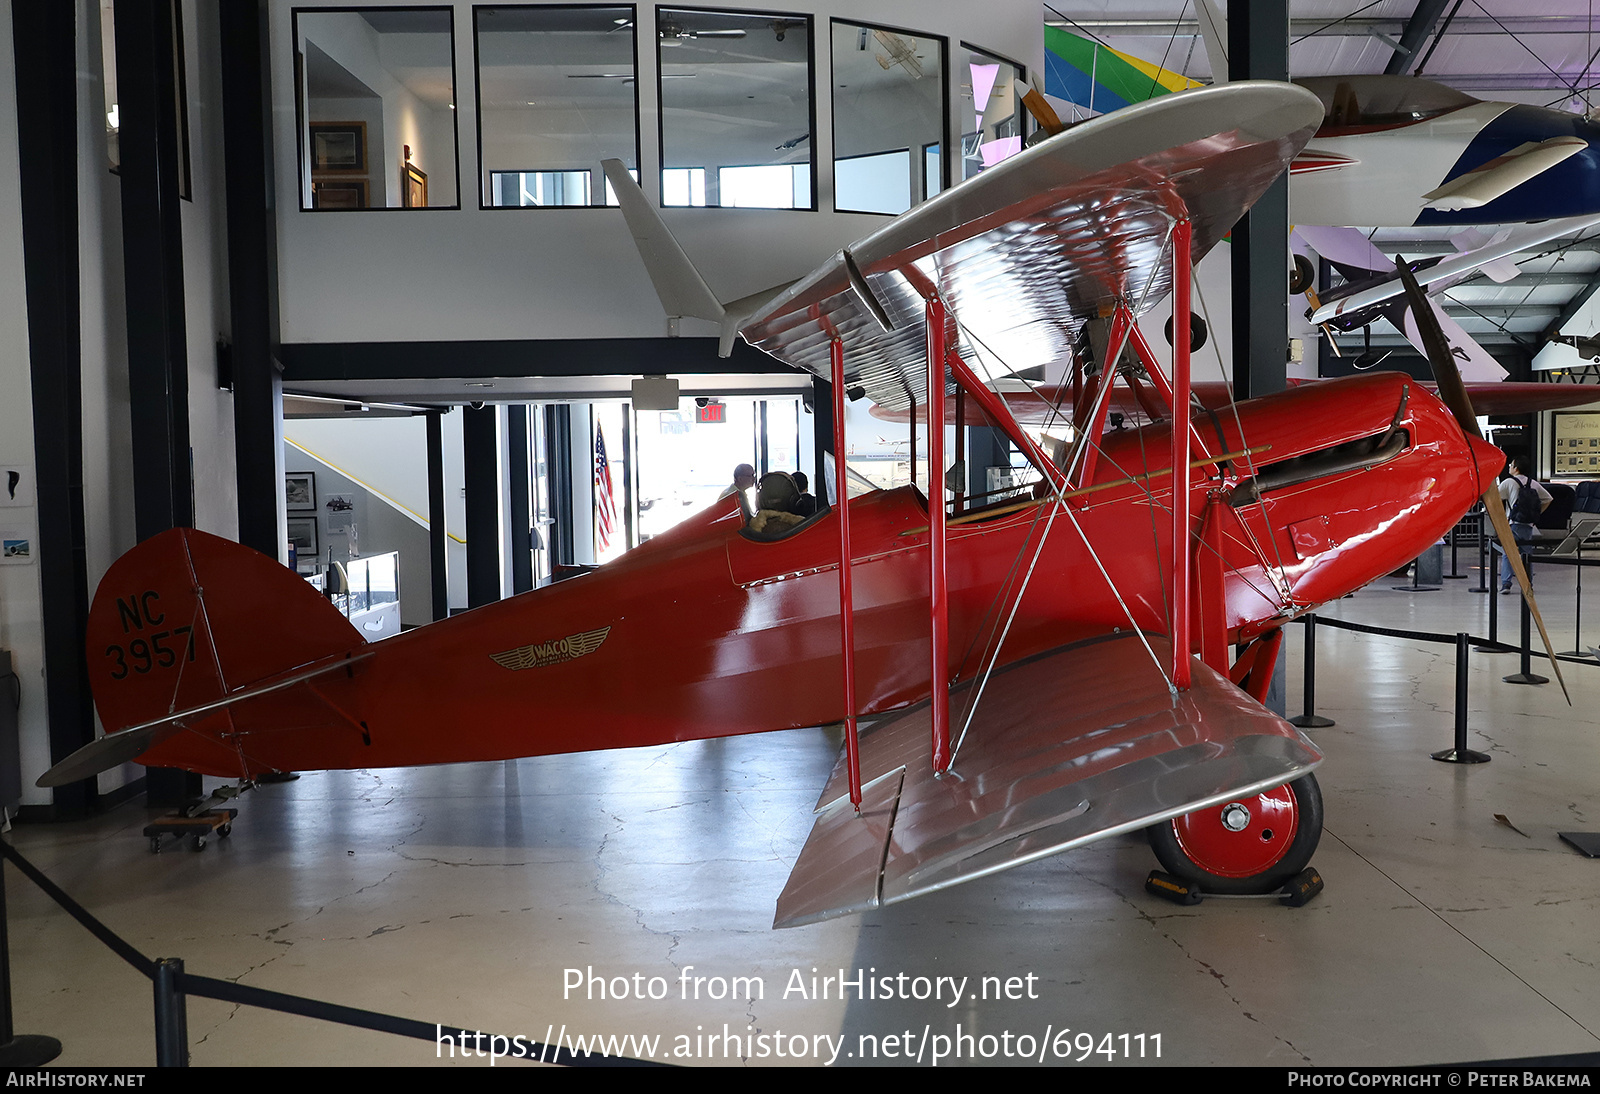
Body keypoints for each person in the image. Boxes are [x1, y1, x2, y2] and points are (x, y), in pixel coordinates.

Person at [1498, 458, 1551, 593]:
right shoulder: (1532, 483)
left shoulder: (1509, 482)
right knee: (1527, 554)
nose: (1509, 466)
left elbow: (1495, 497)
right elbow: (1548, 499)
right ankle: (1528, 584)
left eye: (1511, 465)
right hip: (1527, 524)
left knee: (1508, 553)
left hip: (1513, 523)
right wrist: (1537, 513)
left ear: (1516, 468)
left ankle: (1506, 583)